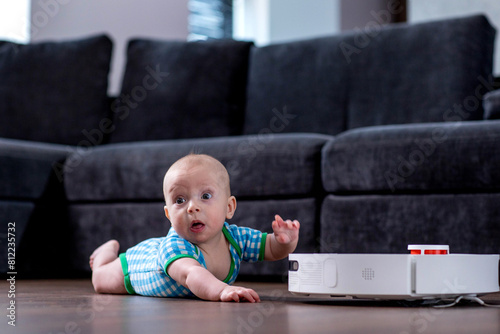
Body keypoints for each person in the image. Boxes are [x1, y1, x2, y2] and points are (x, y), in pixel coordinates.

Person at [89, 153, 300, 302]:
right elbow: (192, 274)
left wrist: (285, 241)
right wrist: (221, 291)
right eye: (180, 200)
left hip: (155, 256)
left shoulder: (235, 237)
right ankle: (104, 256)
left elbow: (269, 249)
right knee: (100, 280)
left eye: (205, 196)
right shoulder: (175, 247)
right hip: (137, 266)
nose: (192, 208)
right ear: (169, 215)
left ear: (229, 207)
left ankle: (107, 253)